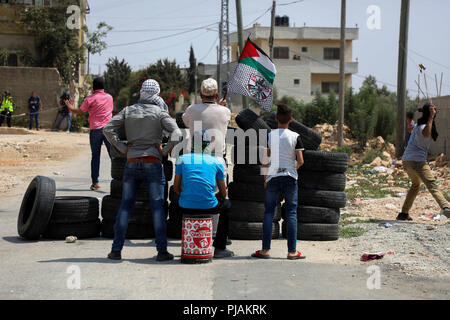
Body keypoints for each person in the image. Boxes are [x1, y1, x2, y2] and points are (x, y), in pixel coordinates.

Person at [103, 79, 181, 261]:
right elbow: (177, 134)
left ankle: (116, 250)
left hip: (131, 162)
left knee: (125, 207)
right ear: (157, 94)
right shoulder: (160, 112)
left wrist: (122, 148)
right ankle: (162, 252)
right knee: (157, 208)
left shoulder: (128, 110)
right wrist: (165, 150)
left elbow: (107, 129)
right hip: (153, 162)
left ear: (141, 93)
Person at [252, 104, 306, 260]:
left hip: (273, 177)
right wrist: (292, 169)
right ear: (291, 119)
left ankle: (265, 250)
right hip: (290, 177)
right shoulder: (296, 137)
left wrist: (265, 178)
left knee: (269, 212)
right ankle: (292, 251)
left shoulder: (270, 136)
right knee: (291, 213)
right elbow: (301, 160)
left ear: (276, 118)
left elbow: (265, 160)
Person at [182, 78, 230, 242]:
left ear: (201, 94)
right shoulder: (225, 111)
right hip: (216, 159)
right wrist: (221, 107)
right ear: (217, 95)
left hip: (195, 160)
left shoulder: (191, 109)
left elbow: (186, 120)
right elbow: (224, 120)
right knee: (218, 197)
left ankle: (195, 230)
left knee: (196, 194)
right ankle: (215, 233)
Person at [173, 130, 234, 258]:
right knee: (227, 205)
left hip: (185, 206)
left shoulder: (182, 159)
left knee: (175, 202)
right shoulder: (216, 161)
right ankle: (220, 247)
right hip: (209, 205)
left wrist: (188, 195)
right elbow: (223, 193)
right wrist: (210, 196)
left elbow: (176, 188)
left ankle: (184, 237)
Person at [397, 103, 450, 221]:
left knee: (415, 185)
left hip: (407, 160)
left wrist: (430, 116)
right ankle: (445, 207)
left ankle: (404, 213)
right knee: (431, 184)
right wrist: (431, 117)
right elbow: (426, 134)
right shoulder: (423, 126)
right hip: (417, 161)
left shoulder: (418, 125)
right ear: (429, 114)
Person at [66, 77, 114, 190]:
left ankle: (95, 183)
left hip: (95, 130)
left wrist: (69, 106)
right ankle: (120, 180)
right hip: (108, 129)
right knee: (113, 156)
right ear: (103, 86)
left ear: (93, 87)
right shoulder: (110, 97)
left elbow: (80, 111)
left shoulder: (90, 99)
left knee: (95, 156)